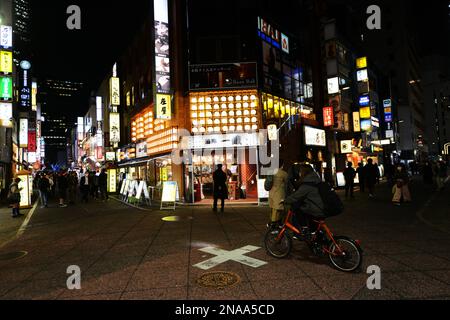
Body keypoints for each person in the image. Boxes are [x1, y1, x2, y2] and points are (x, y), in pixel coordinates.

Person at [284, 163, 324, 237]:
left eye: (300, 171)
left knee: (297, 209)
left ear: (304, 173)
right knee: (314, 227)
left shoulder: (307, 184)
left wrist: (285, 200)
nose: (299, 173)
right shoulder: (315, 179)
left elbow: (296, 196)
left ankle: (303, 228)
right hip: (321, 206)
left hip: (316, 208)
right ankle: (313, 234)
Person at [268, 161, 288, 227]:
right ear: (282, 165)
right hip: (279, 194)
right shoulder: (283, 173)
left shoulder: (271, 172)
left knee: (272, 209)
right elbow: (287, 184)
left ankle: (271, 223)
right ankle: (275, 224)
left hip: (271, 193)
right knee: (278, 210)